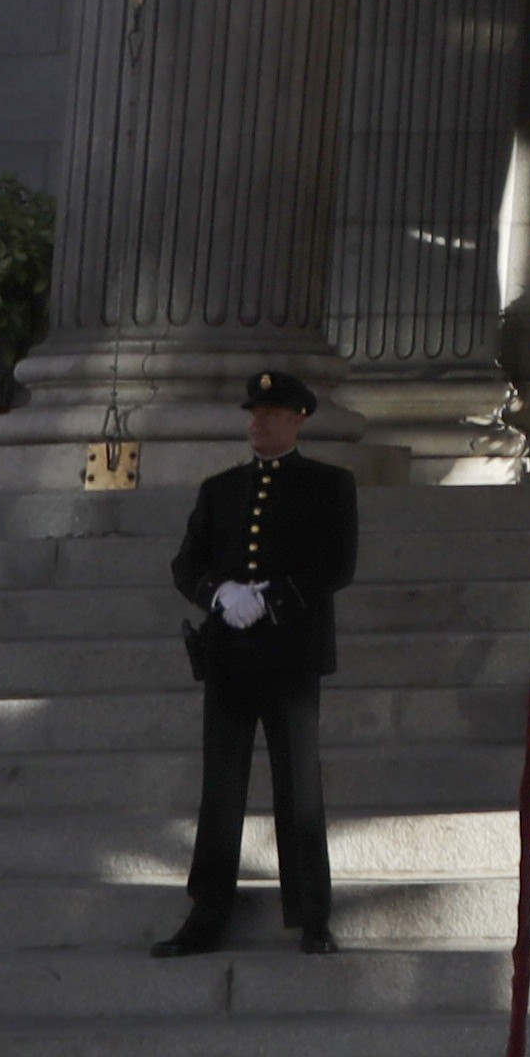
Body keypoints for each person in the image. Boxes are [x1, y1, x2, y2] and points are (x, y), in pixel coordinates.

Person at [158, 367, 358, 957]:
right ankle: (207, 912)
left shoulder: (328, 484)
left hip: (291, 655)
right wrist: (218, 593)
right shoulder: (219, 489)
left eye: (269, 414)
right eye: (253, 414)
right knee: (221, 787)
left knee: (299, 785)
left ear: (298, 419)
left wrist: (271, 599)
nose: (257, 422)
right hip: (228, 656)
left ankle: (312, 913)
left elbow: (336, 566)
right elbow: (185, 562)